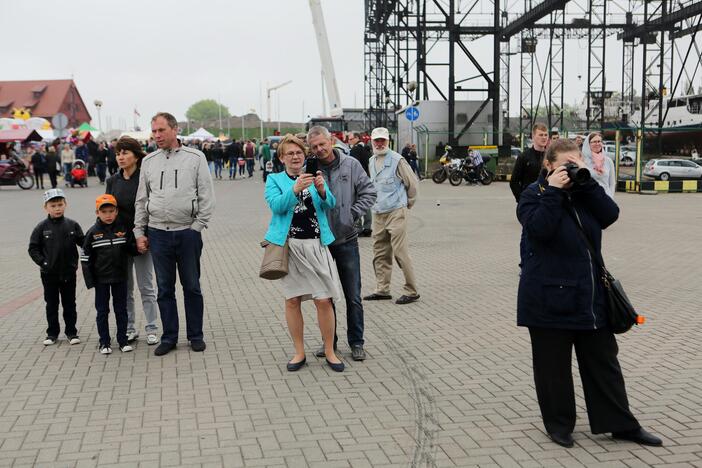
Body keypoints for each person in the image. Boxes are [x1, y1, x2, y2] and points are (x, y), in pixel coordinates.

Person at [517, 138, 662, 449]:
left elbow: (610, 214)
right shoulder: (535, 195)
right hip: (547, 298)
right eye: (565, 163)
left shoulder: (585, 191)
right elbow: (540, 230)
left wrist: (588, 181)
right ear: (549, 165)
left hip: (589, 294)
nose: (571, 168)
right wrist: (555, 191)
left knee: (604, 363)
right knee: (552, 369)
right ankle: (559, 425)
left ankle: (621, 424)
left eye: (576, 162)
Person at [134, 112, 216, 356]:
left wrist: (197, 228)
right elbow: (142, 199)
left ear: (174, 129)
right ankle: (169, 337)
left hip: (187, 233)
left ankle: (195, 335)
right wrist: (140, 231)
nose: (157, 136)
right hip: (158, 233)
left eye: (161, 130)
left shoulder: (195, 158)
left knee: (191, 286)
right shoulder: (149, 162)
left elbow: (206, 196)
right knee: (164, 288)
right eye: (154, 131)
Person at [264, 134, 344, 372]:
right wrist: (295, 189)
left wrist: (321, 190)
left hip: (316, 245)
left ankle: (329, 350)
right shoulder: (274, 179)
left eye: (299, 152)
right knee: (292, 300)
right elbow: (277, 206)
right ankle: (299, 352)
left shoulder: (315, 175)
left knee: (323, 300)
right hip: (291, 247)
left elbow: (330, 204)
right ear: (282, 158)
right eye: (290, 153)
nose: (296, 156)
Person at [307, 126, 377, 361]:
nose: (319, 149)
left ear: (331, 141)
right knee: (326, 297)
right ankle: (330, 343)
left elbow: (369, 193)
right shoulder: (310, 168)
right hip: (321, 242)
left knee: (353, 296)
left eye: (322, 144)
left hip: (347, 239)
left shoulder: (351, 165)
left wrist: (352, 215)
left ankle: (357, 342)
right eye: (314, 147)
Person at [106, 136, 159, 346]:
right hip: (120, 241)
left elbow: (150, 208)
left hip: (143, 239)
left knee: (146, 286)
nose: (121, 157)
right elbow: (107, 210)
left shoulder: (144, 179)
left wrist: (144, 235)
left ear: (136, 156)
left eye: (125, 152)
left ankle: (152, 328)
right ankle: (129, 328)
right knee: (125, 288)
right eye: (118, 153)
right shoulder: (112, 181)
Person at [364, 127, 420, 305]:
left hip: (396, 211)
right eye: (376, 141)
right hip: (378, 212)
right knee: (380, 252)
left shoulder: (398, 160)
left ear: (388, 141)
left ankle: (411, 291)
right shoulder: (371, 161)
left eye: (383, 140)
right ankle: (382, 289)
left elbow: (412, 184)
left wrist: (407, 204)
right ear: (372, 142)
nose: (380, 144)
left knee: (400, 252)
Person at [28, 189, 85, 346]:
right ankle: (52, 333)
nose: (57, 208)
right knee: (51, 304)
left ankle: (71, 332)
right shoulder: (41, 228)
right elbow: (33, 248)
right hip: (49, 274)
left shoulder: (72, 225)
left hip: (68, 272)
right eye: (53, 205)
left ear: (65, 205)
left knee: (69, 303)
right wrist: (44, 263)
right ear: (46, 207)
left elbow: (84, 242)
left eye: (60, 205)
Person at [81, 194, 137, 354]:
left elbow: (130, 247)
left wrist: (141, 246)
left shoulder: (122, 229)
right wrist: (90, 281)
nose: (108, 215)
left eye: (111, 211)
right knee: (102, 311)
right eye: (104, 212)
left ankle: (123, 340)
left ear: (116, 211)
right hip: (101, 280)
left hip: (120, 277)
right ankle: (104, 342)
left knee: (121, 309)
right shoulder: (92, 233)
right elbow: (85, 258)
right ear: (97, 213)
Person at [510, 123, 549, 202]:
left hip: (547, 199)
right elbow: (514, 181)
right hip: (530, 199)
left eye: (546, 135)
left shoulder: (551, 157)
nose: (544, 137)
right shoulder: (524, 157)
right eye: (541, 135)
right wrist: (521, 199)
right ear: (533, 136)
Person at [348, 132, 373, 236]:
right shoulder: (367, 148)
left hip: (357, 180)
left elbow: (353, 165)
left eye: (350, 139)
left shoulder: (355, 149)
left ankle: (358, 228)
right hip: (367, 178)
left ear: (356, 138)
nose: (349, 141)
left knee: (356, 202)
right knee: (366, 202)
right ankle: (367, 227)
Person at [582, 132, 616, 198]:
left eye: (599, 141)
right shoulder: (583, 161)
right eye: (594, 142)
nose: (597, 144)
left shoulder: (608, 161)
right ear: (588, 144)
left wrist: (610, 197)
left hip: (606, 198)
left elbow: (612, 183)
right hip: (588, 199)